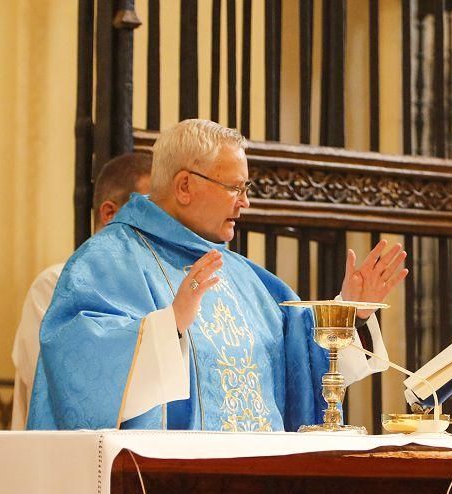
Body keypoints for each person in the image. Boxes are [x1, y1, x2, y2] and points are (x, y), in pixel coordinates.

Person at [27, 120, 406, 431]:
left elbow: (301, 361)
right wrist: (169, 326)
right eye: (235, 188)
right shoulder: (107, 262)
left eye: (246, 188)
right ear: (185, 186)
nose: (245, 202)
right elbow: (75, 364)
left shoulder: (246, 278)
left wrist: (349, 314)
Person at [10, 152, 153, 429]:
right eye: (148, 214)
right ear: (110, 214)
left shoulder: (154, 287)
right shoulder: (53, 285)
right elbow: (65, 387)